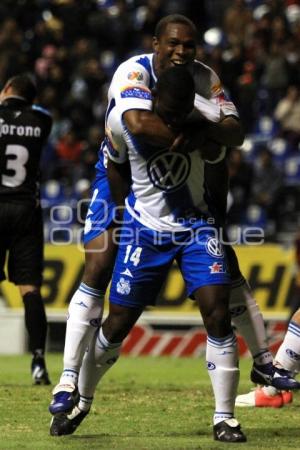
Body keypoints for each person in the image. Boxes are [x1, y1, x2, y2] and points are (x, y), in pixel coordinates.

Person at [49, 13, 298, 437]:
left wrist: (207, 143)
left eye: (190, 45)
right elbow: (131, 132)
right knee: (98, 274)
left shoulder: (204, 86)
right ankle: (71, 382)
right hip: (128, 193)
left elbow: (232, 140)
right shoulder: (132, 78)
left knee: (218, 303)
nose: (182, 51)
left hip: (192, 224)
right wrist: (194, 137)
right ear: (156, 44)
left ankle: (231, 406)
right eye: (173, 44)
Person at [52, 65, 247, 443]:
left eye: (181, 111)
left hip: (195, 229)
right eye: (169, 110)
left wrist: (215, 219)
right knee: (118, 323)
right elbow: (114, 163)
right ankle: (83, 400)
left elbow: (221, 162)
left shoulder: (205, 122)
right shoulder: (130, 120)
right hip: (147, 231)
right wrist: (126, 211)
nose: (174, 118)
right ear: (156, 101)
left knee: (218, 309)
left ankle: (225, 417)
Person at [0, 74, 52, 384]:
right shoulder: (42, 121)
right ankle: (38, 361)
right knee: (29, 288)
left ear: (6, 90)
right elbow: (39, 111)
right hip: (25, 210)